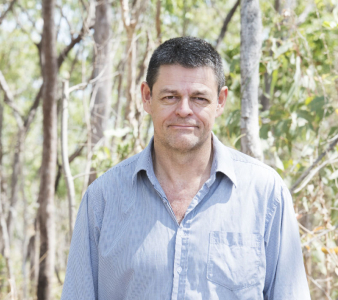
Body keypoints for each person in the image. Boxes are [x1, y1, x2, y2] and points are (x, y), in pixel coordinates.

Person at [61, 36, 310, 300]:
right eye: (170, 96)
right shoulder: (102, 199)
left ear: (221, 101)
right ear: (147, 97)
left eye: (199, 98)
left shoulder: (265, 194)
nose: (184, 110)